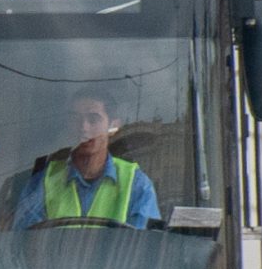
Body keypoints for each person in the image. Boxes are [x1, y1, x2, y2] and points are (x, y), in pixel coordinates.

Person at [11, 92, 160, 230]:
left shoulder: (136, 184)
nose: (83, 127)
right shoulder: (43, 181)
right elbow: (26, 242)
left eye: (93, 119)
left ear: (113, 125)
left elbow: (143, 247)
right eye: (74, 119)